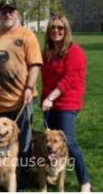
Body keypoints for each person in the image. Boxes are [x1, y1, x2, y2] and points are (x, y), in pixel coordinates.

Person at [0, 0, 43, 187]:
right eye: (4, 11)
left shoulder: (27, 35)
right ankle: (2, 176)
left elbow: (35, 64)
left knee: (23, 140)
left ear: (17, 14)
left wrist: (29, 88)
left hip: (21, 100)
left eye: (11, 11)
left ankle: (22, 175)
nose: (8, 14)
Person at [41, 15, 91, 192]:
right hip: (49, 104)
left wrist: (51, 98)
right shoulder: (47, 51)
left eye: (60, 28)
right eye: (53, 27)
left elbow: (69, 79)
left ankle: (84, 181)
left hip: (67, 102)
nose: (56, 31)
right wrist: (44, 100)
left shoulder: (74, 51)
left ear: (66, 30)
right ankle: (54, 175)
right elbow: (46, 80)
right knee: (50, 144)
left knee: (67, 142)